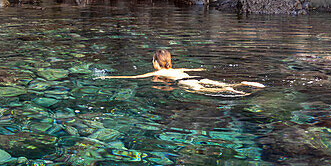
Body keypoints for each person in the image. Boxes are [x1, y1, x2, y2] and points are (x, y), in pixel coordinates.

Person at [103, 49, 265, 96]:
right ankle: (241, 84)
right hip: (194, 77)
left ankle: (232, 89)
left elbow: (134, 77)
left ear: (155, 62)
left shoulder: (156, 74)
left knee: (209, 90)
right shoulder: (176, 69)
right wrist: (201, 69)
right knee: (217, 84)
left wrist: (109, 76)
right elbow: (193, 70)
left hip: (186, 83)